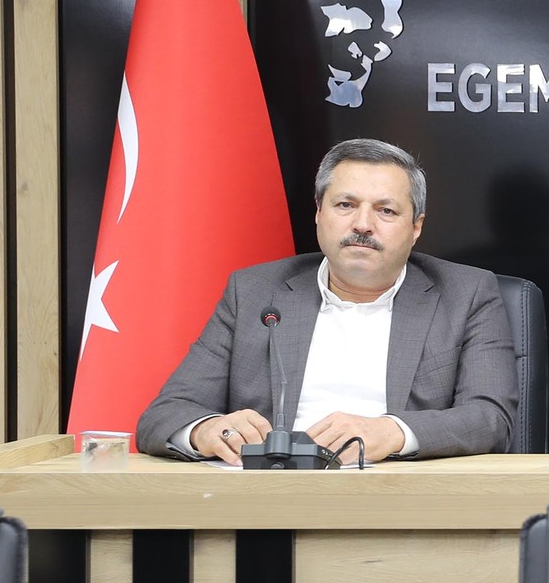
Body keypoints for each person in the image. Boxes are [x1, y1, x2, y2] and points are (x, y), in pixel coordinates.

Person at [138, 138, 518, 463]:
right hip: (269, 499)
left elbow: (491, 419)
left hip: (399, 496)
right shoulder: (255, 292)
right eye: (345, 205)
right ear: (319, 213)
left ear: (416, 227)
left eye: (386, 210)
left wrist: (392, 433)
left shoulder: (465, 294)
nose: (363, 224)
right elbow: (163, 415)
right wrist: (208, 430)